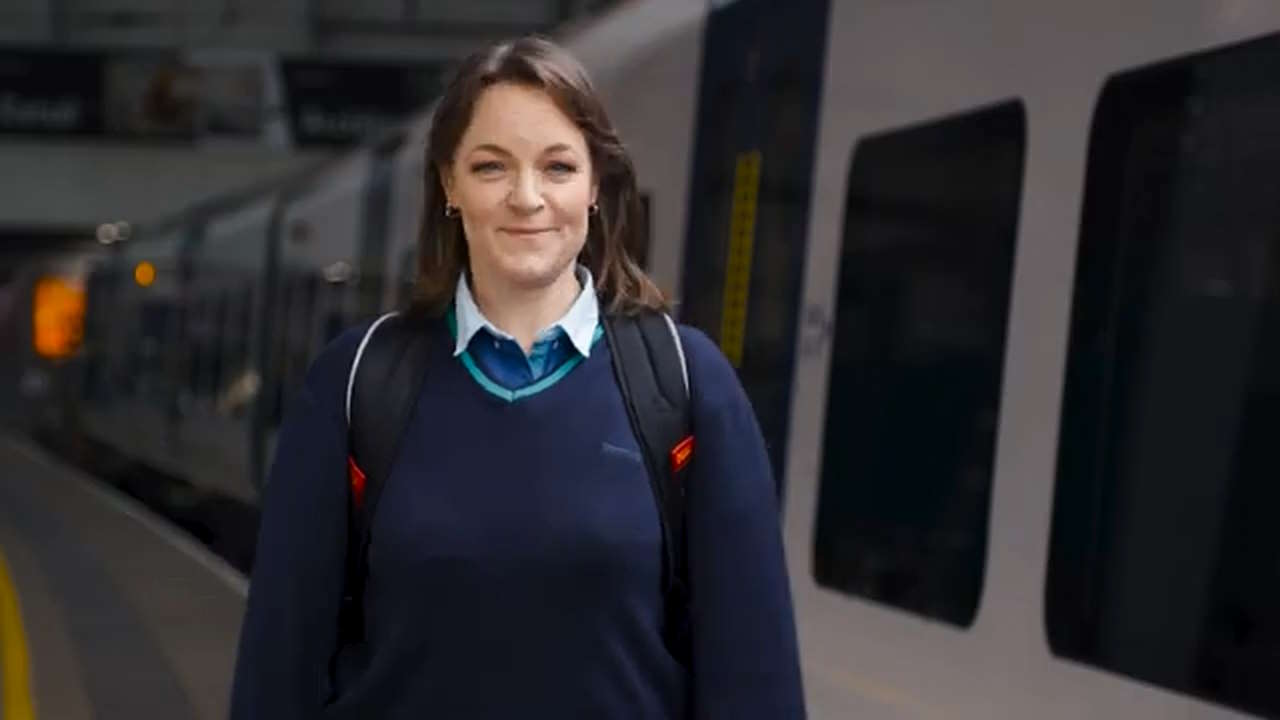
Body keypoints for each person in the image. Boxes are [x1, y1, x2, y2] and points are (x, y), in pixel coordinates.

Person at [230, 35, 805, 719]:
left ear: (596, 186)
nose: (527, 198)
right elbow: (279, 666)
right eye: (491, 167)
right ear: (450, 183)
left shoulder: (688, 385)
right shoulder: (356, 385)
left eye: (558, 167)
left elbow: (755, 677)